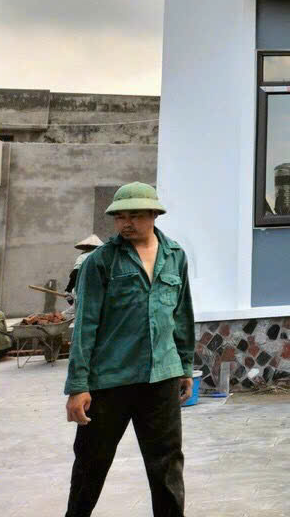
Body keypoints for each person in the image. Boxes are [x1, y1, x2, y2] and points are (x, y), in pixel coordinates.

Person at [64, 182, 194, 517]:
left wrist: (185, 366)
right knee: (90, 465)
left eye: (135, 215)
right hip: (110, 380)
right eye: (120, 216)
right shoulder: (100, 262)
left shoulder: (175, 256)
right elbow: (85, 325)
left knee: (167, 466)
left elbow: (181, 315)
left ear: (154, 215)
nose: (126, 223)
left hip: (162, 377)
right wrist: (78, 386)